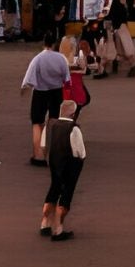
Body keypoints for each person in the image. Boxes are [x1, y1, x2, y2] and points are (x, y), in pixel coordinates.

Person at [42, 99, 88, 240]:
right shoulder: (74, 129)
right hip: (70, 165)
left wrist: (48, 158)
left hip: (54, 162)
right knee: (66, 195)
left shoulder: (50, 125)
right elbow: (81, 153)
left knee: (54, 189)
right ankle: (58, 230)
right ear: (74, 114)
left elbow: (43, 145)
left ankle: (45, 224)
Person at [23, 35, 72, 164]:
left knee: (37, 122)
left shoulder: (38, 58)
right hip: (56, 91)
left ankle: (38, 155)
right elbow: (67, 79)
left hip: (40, 92)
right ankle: (51, 154)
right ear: (55, 44)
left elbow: (29, 79)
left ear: (43, 43)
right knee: (53, 122)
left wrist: (24, 89)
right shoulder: (61, 58)